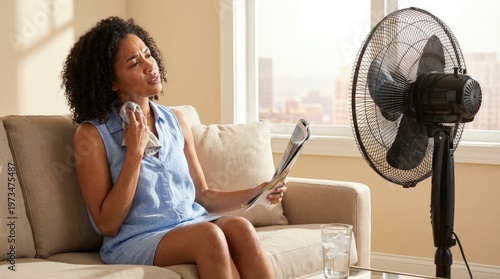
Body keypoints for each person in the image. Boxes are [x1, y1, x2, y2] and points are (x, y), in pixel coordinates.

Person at [61, 16, 286, 279]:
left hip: (191, 223)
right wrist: (133, 152)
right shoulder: (91, 136)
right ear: (112, 82)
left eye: (147, 54)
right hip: (137, 239)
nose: (149, 66)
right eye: (134, 63)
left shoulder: (176, 120)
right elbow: (107, 224)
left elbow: (202, 195)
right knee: (209, 236)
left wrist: (257, 191)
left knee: (241, 228)